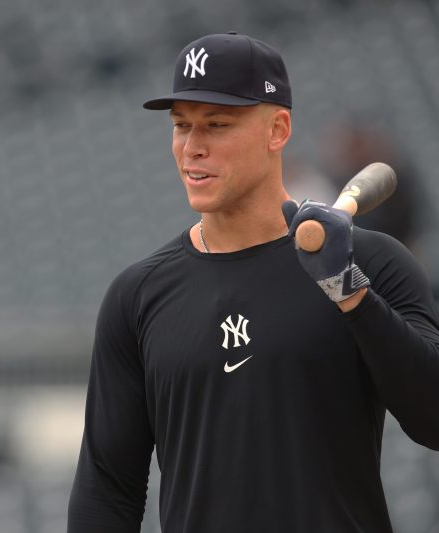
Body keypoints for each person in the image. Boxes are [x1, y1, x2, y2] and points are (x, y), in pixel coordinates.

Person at [67, 32, 439, 532]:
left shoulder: (369, 262)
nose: (192, 147)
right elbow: (106, 489)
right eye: (181, 126)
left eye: (216, 125)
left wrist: (348, 289)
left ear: (277, 130)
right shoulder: (136, 296)